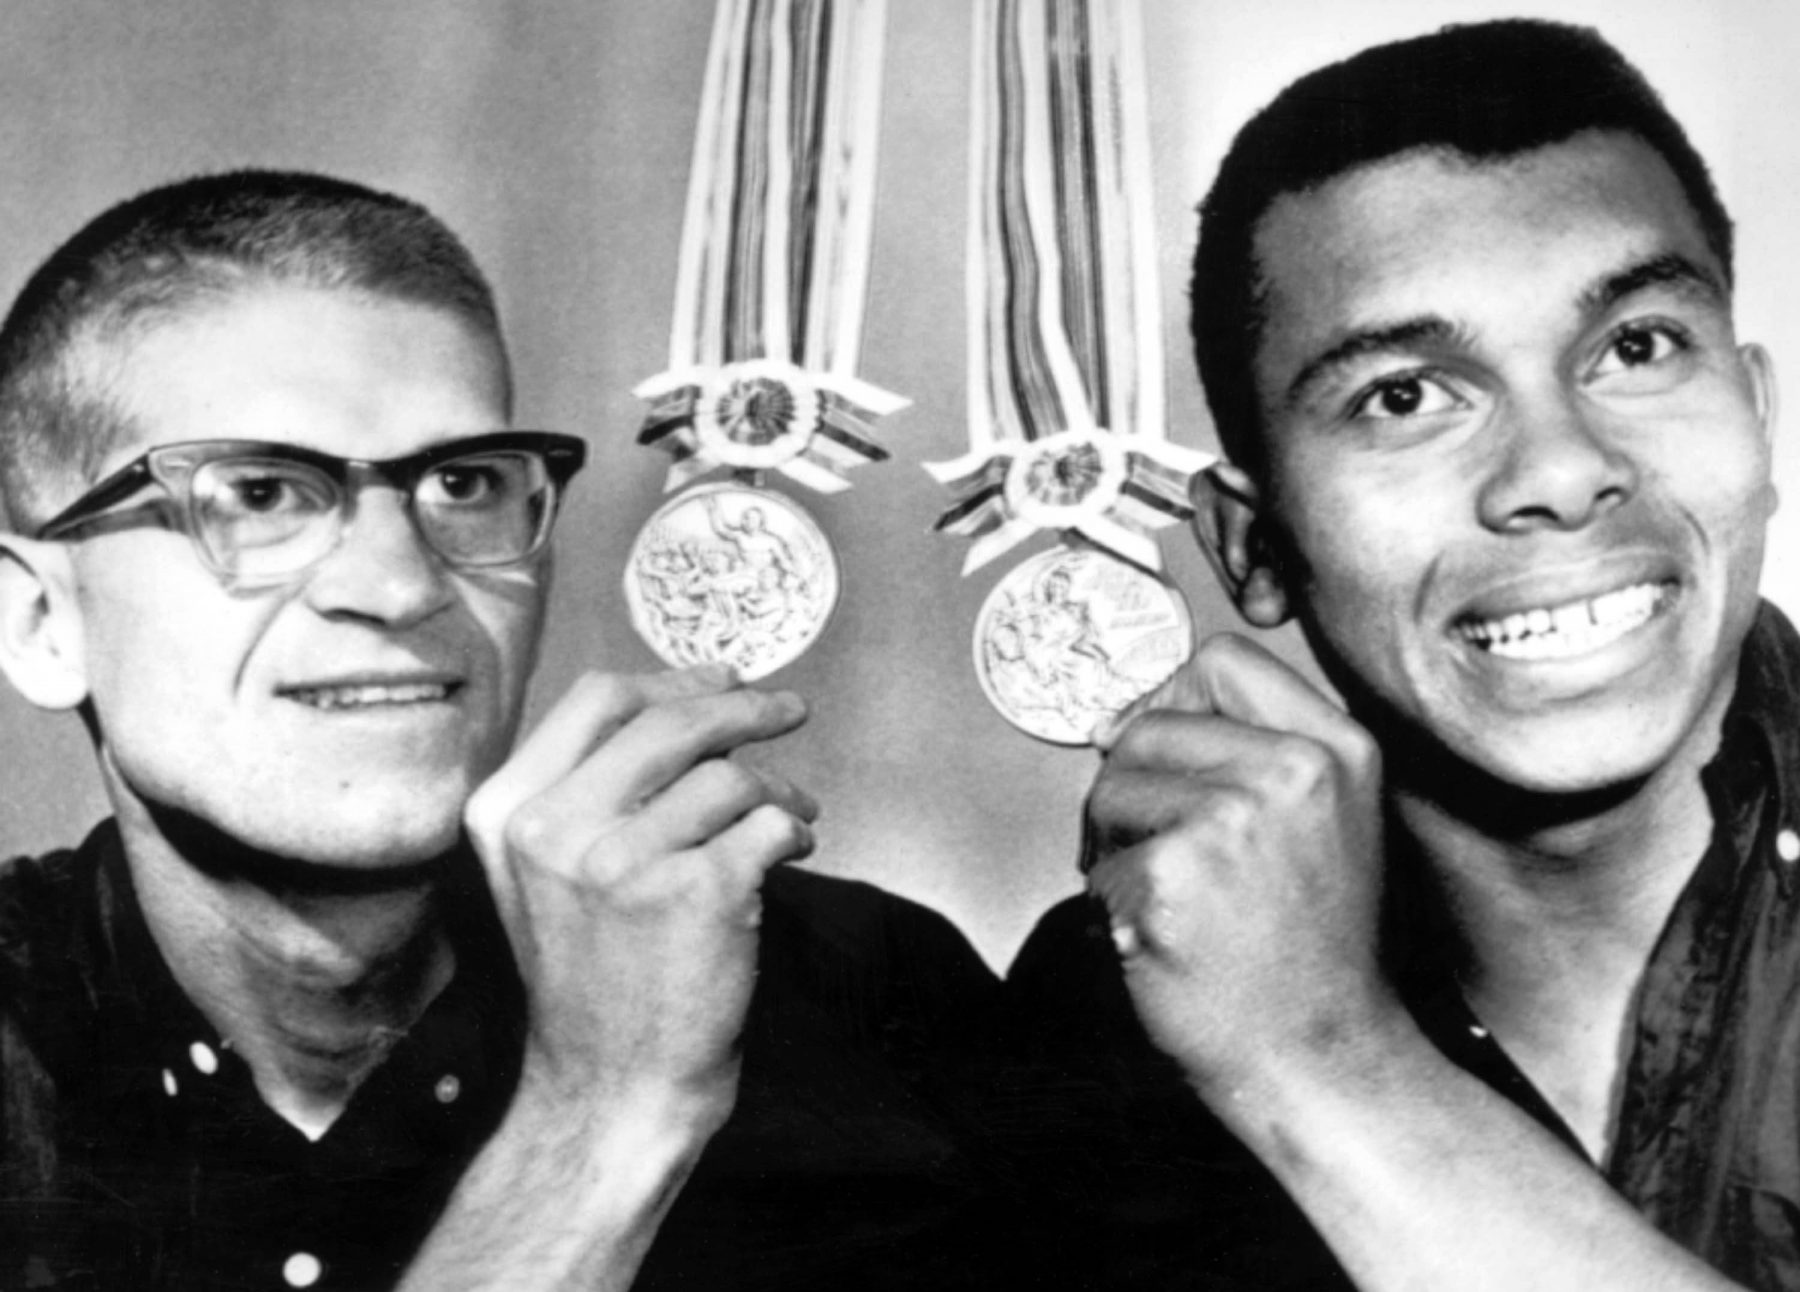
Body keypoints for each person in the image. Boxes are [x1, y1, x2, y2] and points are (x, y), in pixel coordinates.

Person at [0, 170, 1001, 1290]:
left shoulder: (875, 998)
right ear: (41, 619)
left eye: (464, 481)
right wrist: (604, 1116)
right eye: (262, 493)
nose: (398, 582)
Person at [1007, 19, 1796, 1290]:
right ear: (1255, 546)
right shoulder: (1123, 1001)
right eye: (1405, 396)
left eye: (1637, 346)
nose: (1561, 470)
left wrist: (1325, 1065)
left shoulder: (1275, 1032)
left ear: (1757, 416)